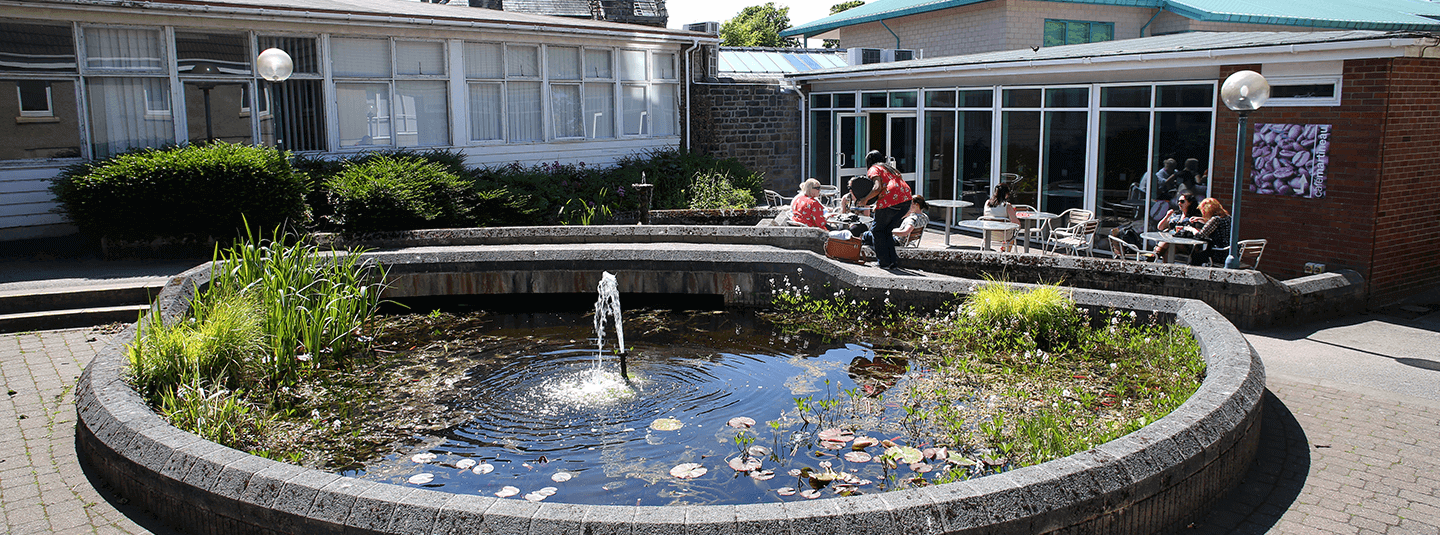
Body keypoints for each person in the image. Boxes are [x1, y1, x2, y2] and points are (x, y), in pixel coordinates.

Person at [859, 150, 912, 269]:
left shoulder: (874, 168)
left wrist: (865, 199)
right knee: (886, 231)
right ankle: (892, 262)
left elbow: (877, 188)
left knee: (877, 231)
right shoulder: (890, 168)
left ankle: (883, 262)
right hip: (906, 200)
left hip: (891, 201)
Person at [863, 195, 928, 247]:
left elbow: (905, 232)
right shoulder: (924, 217)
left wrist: (888, 231)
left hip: (896, 241)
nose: (908, 206)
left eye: (910, 204)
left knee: (867, 235)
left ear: (916, 205)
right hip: (905, 241)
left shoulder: (912, 219)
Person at [1185, 197, 1232, 266]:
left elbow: (1200, 235)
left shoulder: (1215, 220)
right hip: (1229, 251)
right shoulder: (1228, 217)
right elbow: (1214, 226)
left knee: (1196, 256)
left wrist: (1191, 229)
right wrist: (1201, 219)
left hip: (1219, 253)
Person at [1153, 192, 1201, 260]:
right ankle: (1166, 268)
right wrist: (1167, 216)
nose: (1179, 203)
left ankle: (1153, 257)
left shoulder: (1194, 218)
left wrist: (1188, 229)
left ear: (1190, 203)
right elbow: (1160, 227)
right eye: (1178, 201)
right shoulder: (1176, 215)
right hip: (1173, 243)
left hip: (1188, 245)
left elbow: (1199, 232)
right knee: (1168, 250)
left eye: (1182, 201)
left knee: (1167, 241)